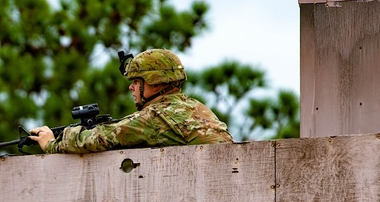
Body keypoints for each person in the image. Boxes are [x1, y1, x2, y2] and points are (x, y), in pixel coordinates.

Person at [28, 48, 233, 153]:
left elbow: (97, 138)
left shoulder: (154, 118)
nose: (131, 87)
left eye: (136, 81)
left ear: (154, 81)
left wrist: (52, 144)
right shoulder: (194, 106)